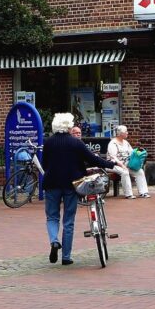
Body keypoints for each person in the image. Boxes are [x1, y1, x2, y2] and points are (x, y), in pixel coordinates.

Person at [41, 113, 116, 266]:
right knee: (68, 221)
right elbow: (92, 159)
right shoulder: (76, 143)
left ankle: (54, 241)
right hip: (72, 185)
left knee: (52, 217)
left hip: (51, 184)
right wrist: (111, 164)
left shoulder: (48, 143)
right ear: (69, 126)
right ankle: (66, 257)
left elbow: (44, 164)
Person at [107, 125, 150, 199]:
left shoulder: (126, 142)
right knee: (125, 172)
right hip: (113, 165)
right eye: (126, 131)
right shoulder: (113, 143)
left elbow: (132, 153)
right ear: (120, 133)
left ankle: (143, 192)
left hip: (126, 164)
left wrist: (138, 155)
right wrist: (122, 165)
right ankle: (128, 194)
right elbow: (113, 157)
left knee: (140, 171)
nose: (127, 133)